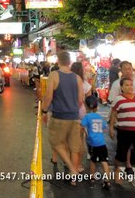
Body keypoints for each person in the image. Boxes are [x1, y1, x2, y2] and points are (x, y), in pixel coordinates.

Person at [41, 51, 83, 180]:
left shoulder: (54, 75)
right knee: (74, 148)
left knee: (56, 142)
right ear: (69, 62)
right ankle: (74, 177)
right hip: (75, 117)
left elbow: (49, 97)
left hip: (59, 116)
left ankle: (71, 168)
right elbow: (81, 100)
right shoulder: (77, 78)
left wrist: (44, 111)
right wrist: (73, 108)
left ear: (58, 61)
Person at [109, 78, 135, 191]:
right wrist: (111, 128)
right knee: (120, 156)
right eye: (126, 85)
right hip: (124, 132)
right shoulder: (118, 99)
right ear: (121, 87)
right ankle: (117, 171)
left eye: (131, 85)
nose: (129, 87)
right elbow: (113, 114)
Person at [81, 95, 111, 190]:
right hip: (102, 143)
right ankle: (107, 180)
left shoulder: (87, 117)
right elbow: (105, 128)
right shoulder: (99, 117)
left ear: (86, 106)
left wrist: (86, 133)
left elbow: (82, 126)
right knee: (104, 161)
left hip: (92, 143)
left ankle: (92, 177)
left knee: (93, 160)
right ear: (97, 107)